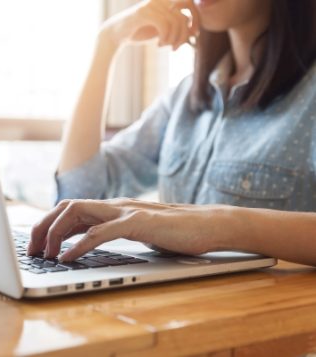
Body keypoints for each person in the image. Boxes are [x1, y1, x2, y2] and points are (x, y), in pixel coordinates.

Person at [27, 0, 316, 266]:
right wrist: (108, 41)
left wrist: (218, 226)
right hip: (177, 309)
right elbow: (80, 192)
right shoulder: (184, 98)